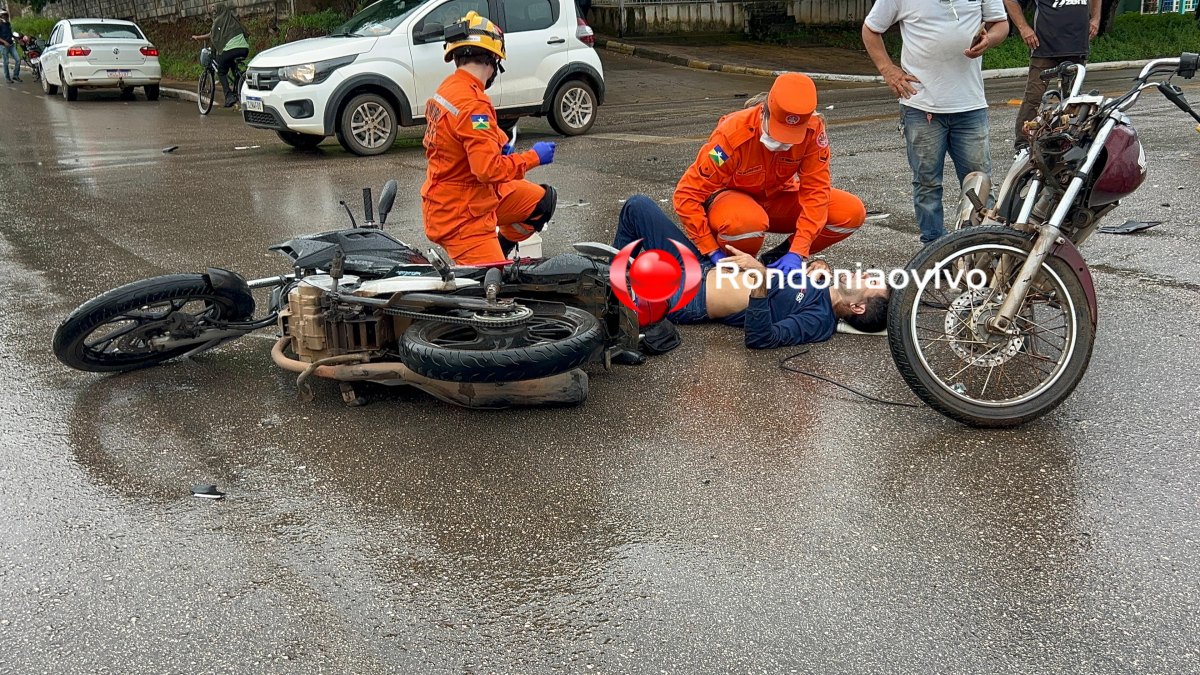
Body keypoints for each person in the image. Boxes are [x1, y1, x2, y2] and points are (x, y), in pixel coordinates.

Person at [615, 195, 890, 348]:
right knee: (637, 207)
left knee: (612, 303)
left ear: (857, 307)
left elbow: (761, 337)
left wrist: (759, 280)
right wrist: (816, 267)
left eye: (869, 281)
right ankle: (608, 273)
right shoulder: (820, 281)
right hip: (701, 264)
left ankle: (608, 289)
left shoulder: (818, 321)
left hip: (692, 296)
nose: (864, 273)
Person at [673, 73, 867, 278]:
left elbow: (816, 192)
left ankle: (775, 261)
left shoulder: (813, 131)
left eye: (792, 136)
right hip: (731, 201)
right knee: (744, 222)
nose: (783, 143)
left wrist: (798, 251)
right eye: (778, 131)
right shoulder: (731, 134)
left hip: (777, 197)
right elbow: (686, 194)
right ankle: (737, 272)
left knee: (850, 212)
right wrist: (710, 250)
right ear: (764, 111)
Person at [862, 0, 1009, 244]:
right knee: (927, 184)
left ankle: (982, 247)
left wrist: (989, 39)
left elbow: (1001, 24)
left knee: (978, 184)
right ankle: (933, 248)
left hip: (970, 105)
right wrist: (887, 69)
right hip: (921, 106)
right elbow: (871, 29)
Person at [421, 11, 557, 265]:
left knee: (541, 202)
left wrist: (499, 140)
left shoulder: (449, 89)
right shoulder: (474, 103)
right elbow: (487, 169)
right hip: (462, 216)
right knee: (495, 297)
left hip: (466, 197)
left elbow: (465, 134)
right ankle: (493, 267)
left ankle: (500, 252)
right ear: (493, 59)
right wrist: (533, 157)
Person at [1005, 0, 1100, 153]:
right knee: (1034, 97)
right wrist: (1023, 28)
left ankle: (1069, 142)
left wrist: (1095, 18)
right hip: (1044, 46)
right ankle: (1023, 145)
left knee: (1074, 101)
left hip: (1077, 45)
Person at [191, 2, 249, 108]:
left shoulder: (218, 21)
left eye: (215, 11)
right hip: (244, 49)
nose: (214, 13)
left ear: (219, 11)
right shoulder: (232, 19)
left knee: (221, 71)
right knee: (232, 64)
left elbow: (214, 38)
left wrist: (213, 54)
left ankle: (229, 96)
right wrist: (199, 37)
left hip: (230, 50)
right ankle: (238, 86)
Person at [1, 9, 22, 84]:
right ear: (1, 16)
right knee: (6, 62)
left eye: (6, 15)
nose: (5, 16)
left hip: (11, 44)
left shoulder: (8, 24)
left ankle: (15, 75)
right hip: (3, 46)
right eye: (3, 15)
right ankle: (7, 78)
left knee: (18, 59)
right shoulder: (0, 24)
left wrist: (17, 39)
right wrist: (4, 42)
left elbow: (10, 33)